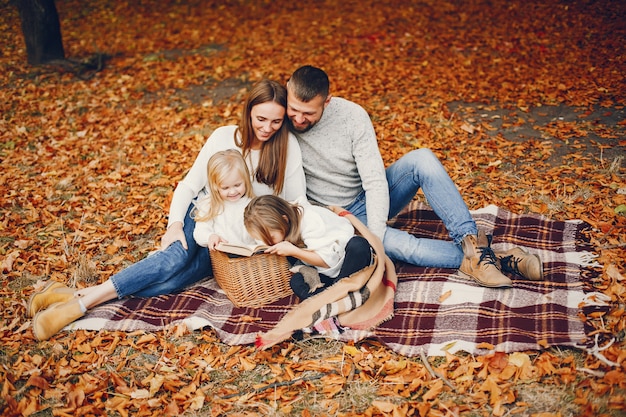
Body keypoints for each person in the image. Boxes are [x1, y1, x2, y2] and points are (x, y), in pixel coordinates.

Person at [29, 79, 307, 341]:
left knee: (171, 283)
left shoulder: (285, 147)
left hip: (232, 237)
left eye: (275, 121)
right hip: (206, 215)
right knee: (173, 261)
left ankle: (68, 294)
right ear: (248, 113)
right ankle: (79, 306)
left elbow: (297, 202)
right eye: (261, 119)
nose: (267, 127)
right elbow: (188, 187)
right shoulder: (224, 137)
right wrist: (174, 224)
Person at [285, 65, 543, 288]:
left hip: (367, 198)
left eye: (309, 114)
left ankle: (470, 242)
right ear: (288, 91)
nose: (298, 118)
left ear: (327, 102)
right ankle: (500, 258)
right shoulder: (278, 121)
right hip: (337, 218)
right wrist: (375, 239)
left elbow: (375, 181)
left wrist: (375, 233)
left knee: (422, 159)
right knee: (407, 247)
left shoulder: (352, 116)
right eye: (294, 110)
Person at [243, 195, 374, 300]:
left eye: (271, 237)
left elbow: (327, 262)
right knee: (296, 282)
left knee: (359, 245)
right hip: (326, 273)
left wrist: (295, 252)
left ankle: (336, 293)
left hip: (345, 261)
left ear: (284, 219)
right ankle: (334, 293)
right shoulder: (283, 227)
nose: (269, 242)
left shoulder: (310, 220)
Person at [192, 149, 256, 251]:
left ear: (246, 179)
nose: (232, 192)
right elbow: (200, 231)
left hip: (251, 258)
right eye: (225, 188)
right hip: (223, 258)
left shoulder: (252, 204)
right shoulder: (211, 204)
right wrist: (210, 236)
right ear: (215, 186)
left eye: (237, 185)